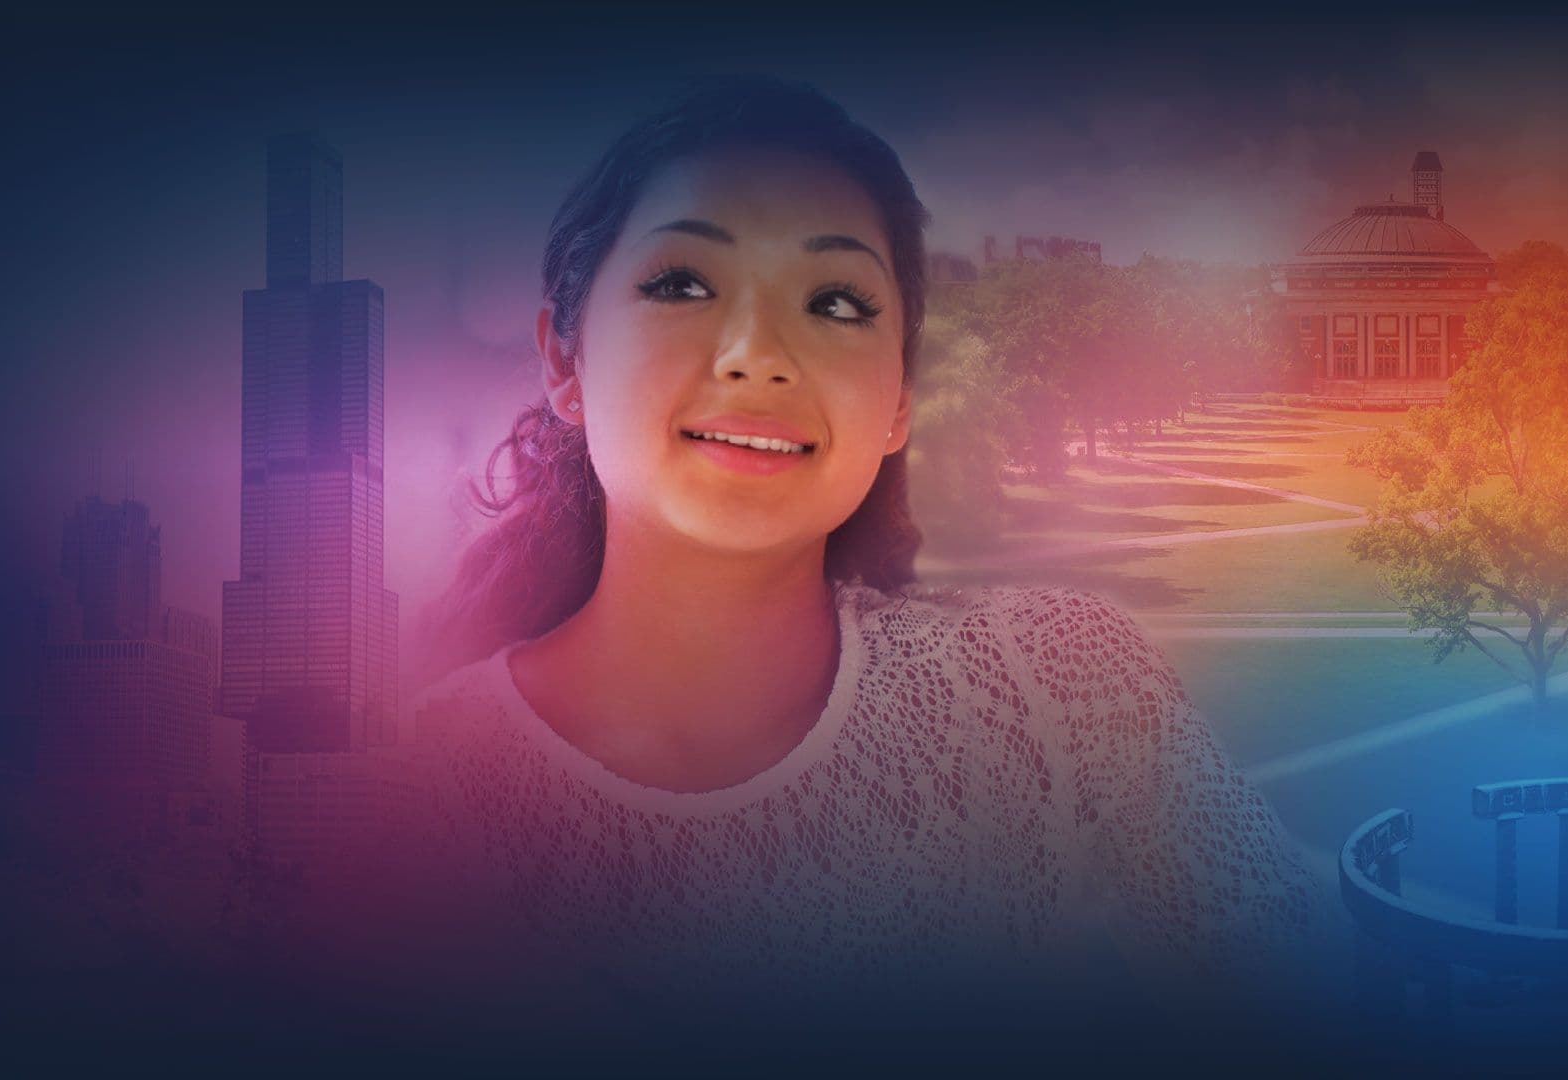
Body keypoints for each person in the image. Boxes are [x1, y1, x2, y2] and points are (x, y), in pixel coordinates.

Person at [389, 77, 1365, 1054]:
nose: (757, 357)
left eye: (835, 301)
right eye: (683, 284)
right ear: (564, 361)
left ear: (898, 399)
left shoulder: (1058, 684)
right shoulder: (413, 790)